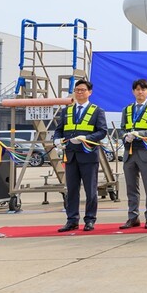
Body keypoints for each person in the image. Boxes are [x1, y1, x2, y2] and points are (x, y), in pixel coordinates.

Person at [55, 79, 107, 232]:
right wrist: (57, 139)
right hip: (70, 155)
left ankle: (90, 220)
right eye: (77, 90)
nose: (79, 92)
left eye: (83, 90)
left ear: (89, 92)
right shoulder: (66, 111)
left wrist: (86, 138)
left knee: (90, 190)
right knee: (71, 190)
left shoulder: (97, 111)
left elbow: (102, 132)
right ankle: (72, 220)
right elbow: (60, 129)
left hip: (88, 155)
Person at [119, 78, 147, 229]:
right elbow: (122, 128)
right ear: (133, 91)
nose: (140, 92)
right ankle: (133, 217)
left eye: (143, 89)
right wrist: (125, 135)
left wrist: (139, 133)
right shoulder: (127, 109)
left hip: (146, 151)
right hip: (129, 153)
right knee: (131, 187)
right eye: (137, 89)